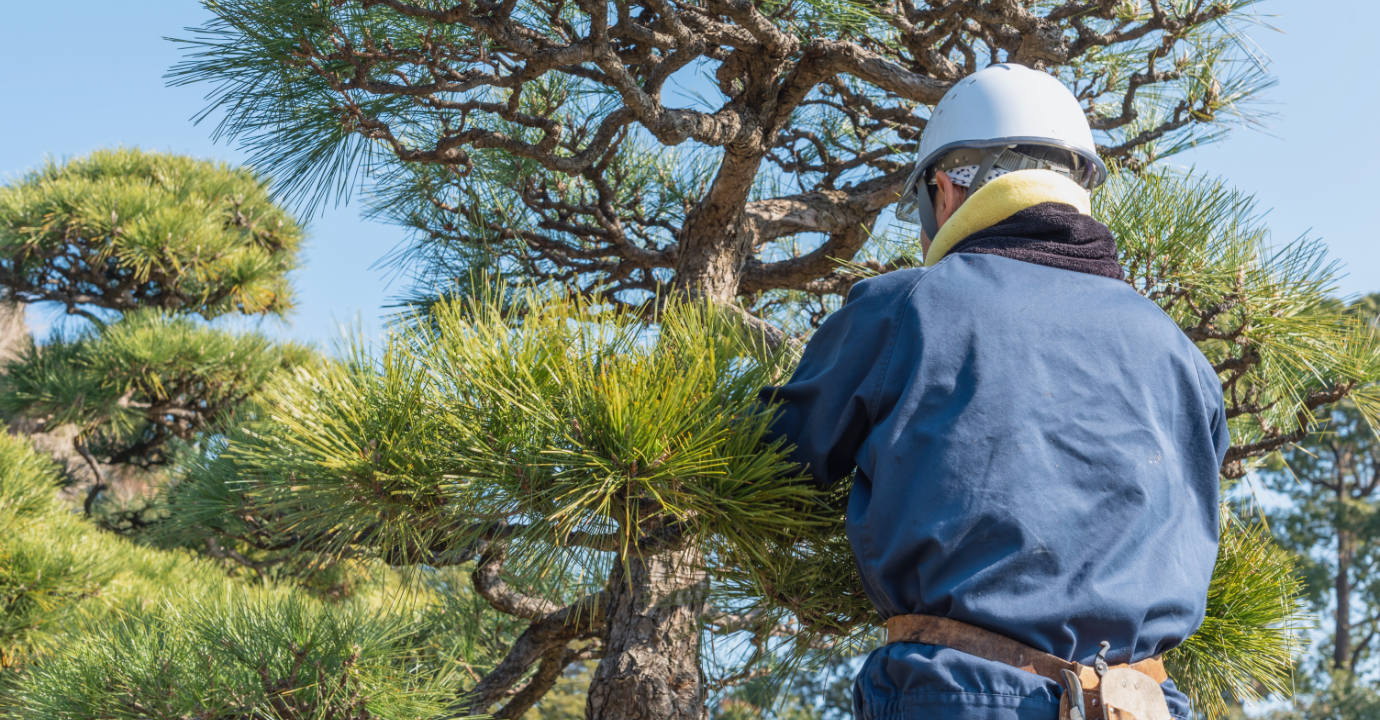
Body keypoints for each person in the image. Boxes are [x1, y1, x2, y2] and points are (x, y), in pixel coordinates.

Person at [758, 63, 1228, 720]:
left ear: (944, 193)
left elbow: (765, 456)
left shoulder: (907, 308)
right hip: (1145, 706)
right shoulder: (1182, 355)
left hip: (965, 697)